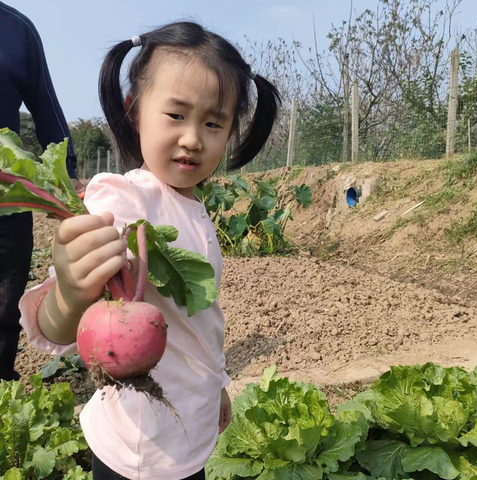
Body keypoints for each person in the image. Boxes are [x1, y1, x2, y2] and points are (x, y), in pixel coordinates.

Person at [19, 21, 280, 480]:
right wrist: (71, 292)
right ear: (135, 112)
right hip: (137, 443)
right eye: (176, 115)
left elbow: (203, 321)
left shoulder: (194, 206)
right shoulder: (124, 197)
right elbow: (55, 327)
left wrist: (218, 384)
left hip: (190, 427)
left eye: (214, 123)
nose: (193, 138)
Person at [0, 1, 85, 381]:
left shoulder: (17, 29)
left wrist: (67, 177)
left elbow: (45, 105)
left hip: (8, 193)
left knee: (6, 297)